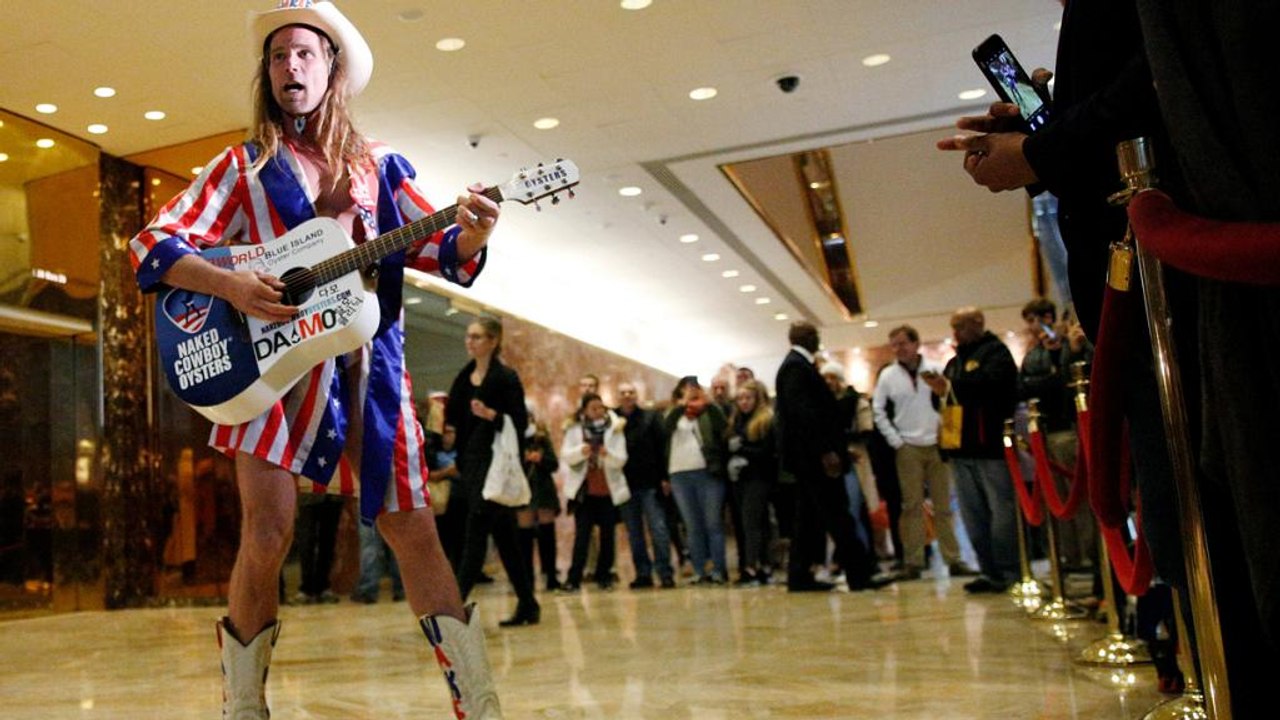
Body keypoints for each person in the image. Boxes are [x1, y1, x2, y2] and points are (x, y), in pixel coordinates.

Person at [126, 2, 503, 716]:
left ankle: (478, 703)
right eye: (277, 57)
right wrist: (230, 283)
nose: (289, 67)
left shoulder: (379, 166)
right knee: (265, 534)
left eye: (304, 54)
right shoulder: (243, 165)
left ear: (333, 68)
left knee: (412, 526)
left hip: (371, 365)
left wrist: (474, 234)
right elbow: (152, 244)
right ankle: (244, 705)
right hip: (270, 368)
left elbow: (437, 247)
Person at [774, 322, 890, 592]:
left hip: (809, 457)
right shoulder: (796, 368)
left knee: (808, 519)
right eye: (815, 335)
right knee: (838, 514)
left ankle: (799, 575)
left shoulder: (797, 366)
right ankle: (859, 574)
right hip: (814, 458)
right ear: (807, 338)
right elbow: (805, 416)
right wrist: (827, 451)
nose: (817, 339)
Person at [446, 318, 540, 627]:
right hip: (473, 464)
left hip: (495, 464)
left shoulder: (505, 378)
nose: (469, 341)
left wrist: (492, 416)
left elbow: (520, 423)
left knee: (476, 531)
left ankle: (454, 608)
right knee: (506, 538)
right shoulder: (463, 377)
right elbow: (454, 420)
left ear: (493, 340)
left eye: (476, 336)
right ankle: (528, 604)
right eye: (468, 336)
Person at [871, 325, 972, 580]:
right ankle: (913, 560)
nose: (898, 349)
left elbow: (952, 401)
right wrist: (896, 441)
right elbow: (878, 410)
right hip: (907, 445)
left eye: (903, 343)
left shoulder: (935, 368)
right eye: (893, 344)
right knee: (911, 506)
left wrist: (947, 434)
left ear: (916, 344)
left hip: (937, 443)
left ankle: (954, 558)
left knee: (943, 505)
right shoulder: (888, 376)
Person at [939, 308, 1020, 594]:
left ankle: (1010, 570)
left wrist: (953, 385)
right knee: (972, 515)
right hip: (961, 449)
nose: (956, 332)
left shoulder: (996, 353)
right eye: (953, 327)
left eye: (960, 326)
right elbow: (946, 405)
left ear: (977, 324)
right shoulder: (953, 363)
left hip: (990, 447)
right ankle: (988, 570)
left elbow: (996, 387)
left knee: (1002, 510)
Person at [662, 377, 730, 585]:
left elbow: (723, 427)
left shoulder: (710, 412)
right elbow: (666, 428)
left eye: (695, 390)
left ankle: (719, 570)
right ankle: (700, 570)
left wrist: (708, 403)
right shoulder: (673, 413)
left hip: (708, 472)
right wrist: (682, 405)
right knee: (692, 526)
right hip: (679, 474)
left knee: (713, 523)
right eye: (686, 391)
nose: (691, 394)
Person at [560, 393, 630, 591]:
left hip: (607, 490)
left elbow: (622, 458)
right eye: (594, 408)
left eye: (601, 407)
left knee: (608, 535)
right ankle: (574, 579)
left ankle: (604, 575)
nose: (599, 411)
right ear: (585, 411)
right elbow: (566, 455)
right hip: (585, 492)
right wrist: (581, 452)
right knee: (582, 536)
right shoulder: (574, 428)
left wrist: (608, 455)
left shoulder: (615, 428)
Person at [616, 381, 676, 589]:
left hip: (650, 483)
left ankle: (665, 572)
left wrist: (665, 477)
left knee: (658, 528)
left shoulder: (651, 418)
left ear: (636, 395)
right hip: (625, 485)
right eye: (623, 392)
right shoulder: (612, 419)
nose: (627, 396)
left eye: (631, 392)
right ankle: (643, 573)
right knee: (634, 532)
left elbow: (662, 448)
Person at [725, 379, 778, 586]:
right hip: (740, 479)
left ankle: (752, 567)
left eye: (748, 398)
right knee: (753, 523)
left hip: (759, 478)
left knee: (753, 523)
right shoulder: (737, 421)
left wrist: (742, 449)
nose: (743, 402)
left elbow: (767, 453)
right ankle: (762, 565)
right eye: (740, 398)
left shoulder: (765, 421)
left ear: (757, 398)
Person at [516, 416, 561, 591]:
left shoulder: (542, 438)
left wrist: (540, 459)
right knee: (524, 537)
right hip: (523, 492)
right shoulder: (514, 438)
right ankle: (527, 578)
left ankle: (551, 576)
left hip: (543, 491)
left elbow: (554, 464)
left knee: (547, 534)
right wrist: (525, 459)